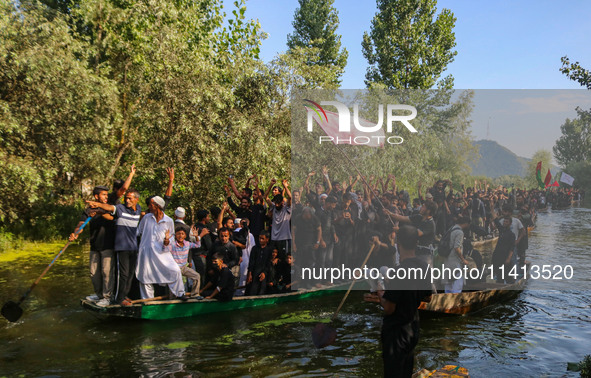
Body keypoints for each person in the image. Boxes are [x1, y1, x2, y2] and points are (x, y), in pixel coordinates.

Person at [364, 225, 431, 377]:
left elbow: (389, 308)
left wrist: (380, 291)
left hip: (396, 332)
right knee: (406, 370)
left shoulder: (399, 271)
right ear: (416, 243)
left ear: (398, 245)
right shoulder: (424, 267)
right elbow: (428, 297)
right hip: (413, 327)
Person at [85, 189, 142, 304]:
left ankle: (124, 295)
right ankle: (119, 298)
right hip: (122, 248)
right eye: (126, 198)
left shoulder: (138, 209)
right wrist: (98, 205)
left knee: (131, 274)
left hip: (133, 248)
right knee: (123, 275)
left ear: (137, 200)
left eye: (130, 198)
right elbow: (109, 208)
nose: (127, 200)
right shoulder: (120, 208)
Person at [70, 186, 116, 307]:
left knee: (107, 273)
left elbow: (112, 218)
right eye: (104, 195)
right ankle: (99, 294)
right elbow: (81, 224)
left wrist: (101, 212)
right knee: (94, 273)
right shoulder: (89, 210)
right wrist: (75, 233)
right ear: (96, 196)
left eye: (107, 195)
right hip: (94, 246)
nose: (106, 197)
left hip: (108, 246)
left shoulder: (109, 208)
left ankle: (107, 297)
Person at [135, 196, 185, 300]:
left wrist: (167, 241)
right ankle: (147, 300)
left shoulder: (169, 221)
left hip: (162, 253)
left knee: (175, 271)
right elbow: (138, 232)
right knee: (145, 277)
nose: (149, 206)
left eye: (151, 204)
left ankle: (180, 294)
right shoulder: (146, 218)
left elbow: (171, 238)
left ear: (157, 206)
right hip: (147, 254)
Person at [163, 226, 208, 297]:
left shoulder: (187, 244)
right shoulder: (173, 244)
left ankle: (195, 294)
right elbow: (165, 249)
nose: (180, 236)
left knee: (196, 276)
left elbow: (197, 245)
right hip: (175, 268)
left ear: (185, 235)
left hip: (184, 267)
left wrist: (197, 237)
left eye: (182, 234)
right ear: (175, 236)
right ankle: (172, 298)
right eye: (178, 234)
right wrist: (166, 240)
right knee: (174, 283)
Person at [444, 216, 471, 293]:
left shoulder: (451, 228)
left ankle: (447, 298)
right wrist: (463, 260)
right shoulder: (460, 232)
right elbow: (457, 248)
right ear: (466, 223)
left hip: (447, 258)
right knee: (458, 282)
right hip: (455, 260)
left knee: (448, 282)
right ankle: (456, 299)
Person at [247, 231, 273, 295]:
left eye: (262, 238)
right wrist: (250, 273)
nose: (260, 240)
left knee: (262, 290)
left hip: (265, 273)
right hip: (255, 272)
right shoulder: (255, 248)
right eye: (259, 238)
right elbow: (251, 261)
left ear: (267, 239)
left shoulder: (269, 250)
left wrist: (264, 272)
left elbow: (268, 263)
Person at [492, 216, 516, 284]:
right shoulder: (502, 230)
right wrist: (491, 208)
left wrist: (508, 258)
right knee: (499, 275)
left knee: (507, 276)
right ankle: (499, 286)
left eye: (506, 222)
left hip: (505, 257)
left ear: (510, 223)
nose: (504, 223)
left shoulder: (511, 234)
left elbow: (512, 247)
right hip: (497, 256)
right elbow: (496, 220)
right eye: (504, 221)